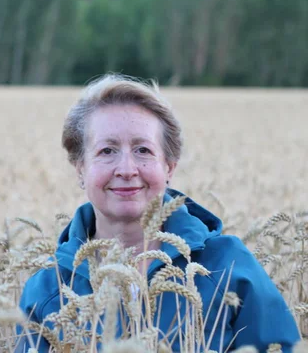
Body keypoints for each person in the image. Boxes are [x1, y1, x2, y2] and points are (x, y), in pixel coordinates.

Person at [16, 75, 301, 352]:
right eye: (106, 151)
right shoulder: (47, 289)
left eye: (143, 150)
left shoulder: (228, 269)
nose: (127, 169)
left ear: (169, 168)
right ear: (80, 168)